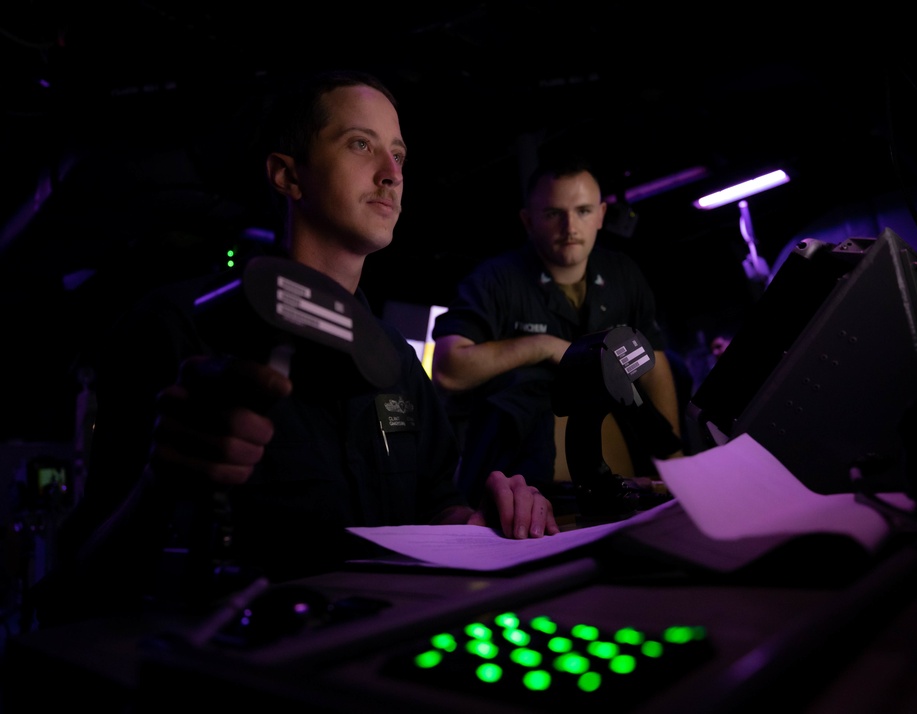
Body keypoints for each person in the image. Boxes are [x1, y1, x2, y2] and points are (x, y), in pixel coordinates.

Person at [31, 69, 558, 628]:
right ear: (288, 176)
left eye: (399, 154)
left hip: (372, 658)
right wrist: (162, 485)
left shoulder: (399, 362)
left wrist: (492, 515)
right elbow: (82, 575)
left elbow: (436, 508)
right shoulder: (176, 327)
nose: (392, 174)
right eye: (361, 144)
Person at [431, 154, 683, 507]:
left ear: (601, 215)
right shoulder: (495, 281)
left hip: (621, 480)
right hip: (523, 485)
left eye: (582, 211)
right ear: (528, 221)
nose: (569, 227)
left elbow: (652, 362)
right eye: (553, 214)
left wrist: (673, 462)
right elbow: (447, 368)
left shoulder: (623, 275)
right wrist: (544, 346)